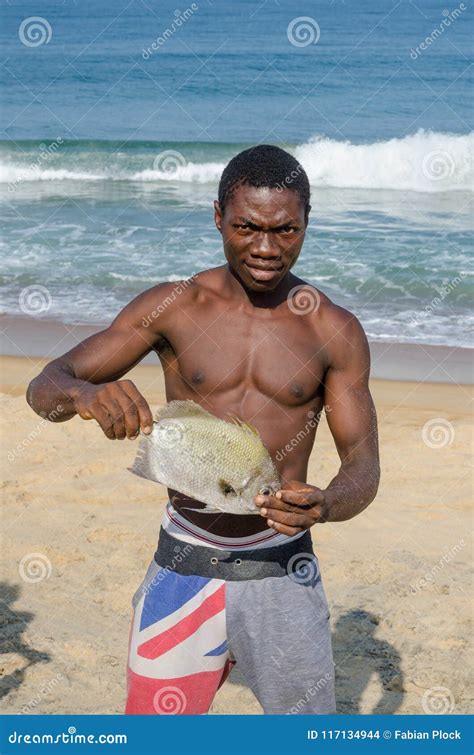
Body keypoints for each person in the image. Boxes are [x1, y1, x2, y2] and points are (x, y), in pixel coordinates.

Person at [26, 145, 380, 715]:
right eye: (247, 227)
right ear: (218, 216)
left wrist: (328, 504)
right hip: (184, 560)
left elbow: (363, 468)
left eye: (286, 230)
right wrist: (85, 395)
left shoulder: (332, 329)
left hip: (282, 564)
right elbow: (45, 387)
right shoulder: (175, 306)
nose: (266, 248)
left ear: (307, 222)